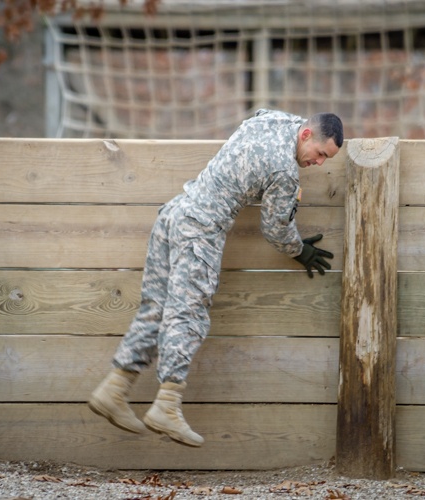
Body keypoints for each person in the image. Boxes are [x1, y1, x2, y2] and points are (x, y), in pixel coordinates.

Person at [89, 108, 344, 447]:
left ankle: (114, 389)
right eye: (321, 154)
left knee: (156, 307)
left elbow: (260, 109)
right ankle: (166, 405)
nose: (319, 163)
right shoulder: (284, 172)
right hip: (201, 231)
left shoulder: (269, 121)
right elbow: (275, 229)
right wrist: (299, 250)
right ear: (306, 136)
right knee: (188, 314)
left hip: (174, 214)